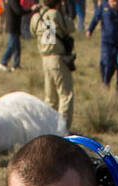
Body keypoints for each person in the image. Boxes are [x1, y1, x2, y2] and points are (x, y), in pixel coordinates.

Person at [32, 0, 75, 129]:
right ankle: (63, 128)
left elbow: (32, 30)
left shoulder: (37, 16)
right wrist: (62, 12)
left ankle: (48, 126)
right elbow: (71, 27)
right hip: (57, 57)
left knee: (50, 98)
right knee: (65, 94)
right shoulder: (57, 15)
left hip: (44, 57)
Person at [88, 0, 118, 88]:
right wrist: (90, 29)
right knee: (107, 62)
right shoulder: (103, 5)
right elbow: (96, 17)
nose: (115, 2)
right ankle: (105, 82)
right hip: (106, 41)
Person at [0, 0, 23, 68]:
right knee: (11, 45)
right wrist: (30, 10)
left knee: (17, 47)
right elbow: (18, 11)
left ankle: (16, 64)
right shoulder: (13, 1)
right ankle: (3, 62)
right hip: (12, 27)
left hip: (15, 27)